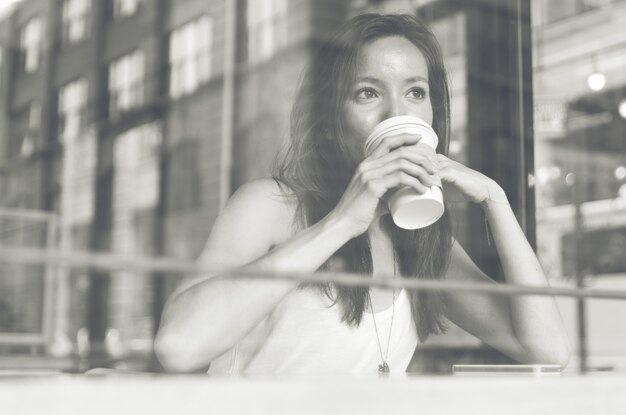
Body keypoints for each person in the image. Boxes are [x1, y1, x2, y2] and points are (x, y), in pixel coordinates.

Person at [154, 13, 570, 374]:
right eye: (367, 93)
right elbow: (177, 348)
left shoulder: (420, 240)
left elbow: (548, 350)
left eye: (415, 92)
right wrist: (340, 223)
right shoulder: (270, 205)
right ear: (333, 118)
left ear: (432, 114)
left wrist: (494, 199)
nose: (397, 114)